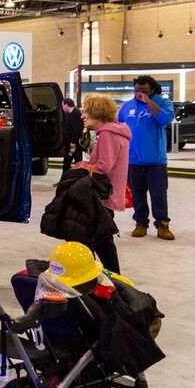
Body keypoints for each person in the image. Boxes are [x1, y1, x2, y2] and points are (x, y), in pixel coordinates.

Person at [72, 95, 131, 274]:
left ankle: (111, 282)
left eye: (86, 111)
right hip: (106, 195)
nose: (82, 115)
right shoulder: (114, 132)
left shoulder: (108, 134)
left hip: (101, 196)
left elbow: (104, 167)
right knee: (100, 240)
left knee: (100, 242)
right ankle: (108, 280)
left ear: (97, 113)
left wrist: (82, 166)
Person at [118, 75, 175, 240]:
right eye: (136, 91)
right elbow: (119, 125)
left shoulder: (163, 102)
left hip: (156, 161)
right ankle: (141, 223)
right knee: (137, 195)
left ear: (152, 90)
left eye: (143, 91)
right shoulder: (127, 106)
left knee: (159, 194)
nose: (139, 94)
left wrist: (148, 102)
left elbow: (165, 119)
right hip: (133, 160)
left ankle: (162, 225)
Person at [61, 97, 84, 174]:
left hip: (74, 144)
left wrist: (73, 142)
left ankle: (77, 179)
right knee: (67, 163)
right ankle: (64, 180)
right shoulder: (70, 114)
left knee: (77, 163)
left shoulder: (76, 114)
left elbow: (76, 130)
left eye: (63, 105)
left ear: (66, 105)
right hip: (70, 144)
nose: (62, 107)